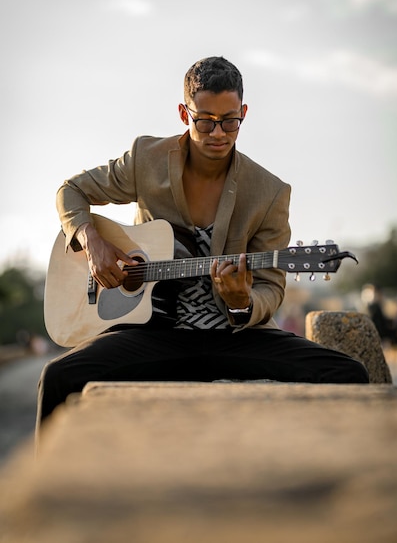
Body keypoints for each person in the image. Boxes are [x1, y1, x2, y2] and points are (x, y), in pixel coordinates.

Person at [37, 56, 368, 434]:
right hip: (151, 334)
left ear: (243, 112)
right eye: (205, 121)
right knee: (58, 376)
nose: (218, 133)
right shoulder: (148, 159)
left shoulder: (269, 192)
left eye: (230, 121)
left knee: (347, 373)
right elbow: (71, 191)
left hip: (234, 338)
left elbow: (271, 288)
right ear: (183, 113)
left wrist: (241, 302)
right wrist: (91, 241)